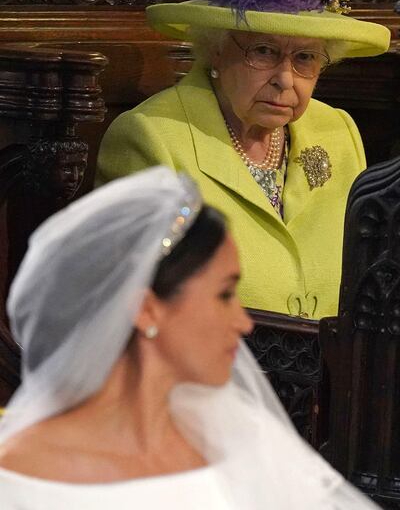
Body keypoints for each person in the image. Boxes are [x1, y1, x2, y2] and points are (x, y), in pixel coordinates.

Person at [0, 166, 378, 508]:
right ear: (146, 308)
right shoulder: (20, 478)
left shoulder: (235, 434)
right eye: (224, 295)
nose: (244, 324)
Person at [96, 0, 391, 320]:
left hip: (335, 376)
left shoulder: (337, 131)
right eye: (264, 52)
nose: (285, 79)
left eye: (305, 58)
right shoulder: (150, 139)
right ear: (215, 50)